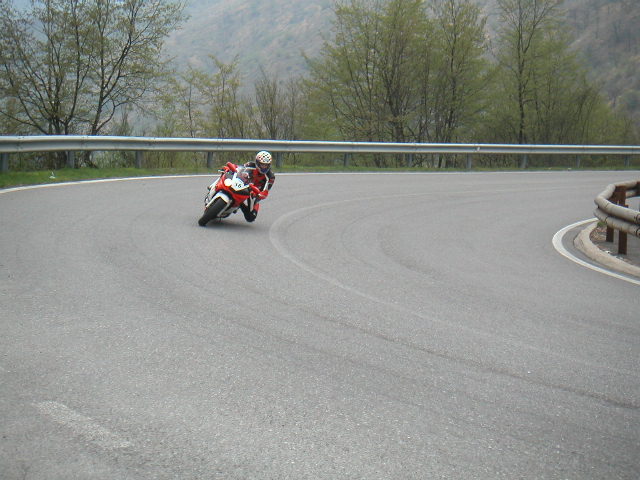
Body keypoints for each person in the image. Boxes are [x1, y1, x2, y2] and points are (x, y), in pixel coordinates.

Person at [238, 150, 275, 222]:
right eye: (262, 164)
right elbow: (238, 168)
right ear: (257, 163)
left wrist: (262, 194)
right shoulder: (250, 165)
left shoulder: (271, 176)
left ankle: (240, 204)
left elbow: (266, 190)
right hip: (244, 185)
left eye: (266, 165)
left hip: (255, 192)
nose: (264, 167)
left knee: (251, 217)